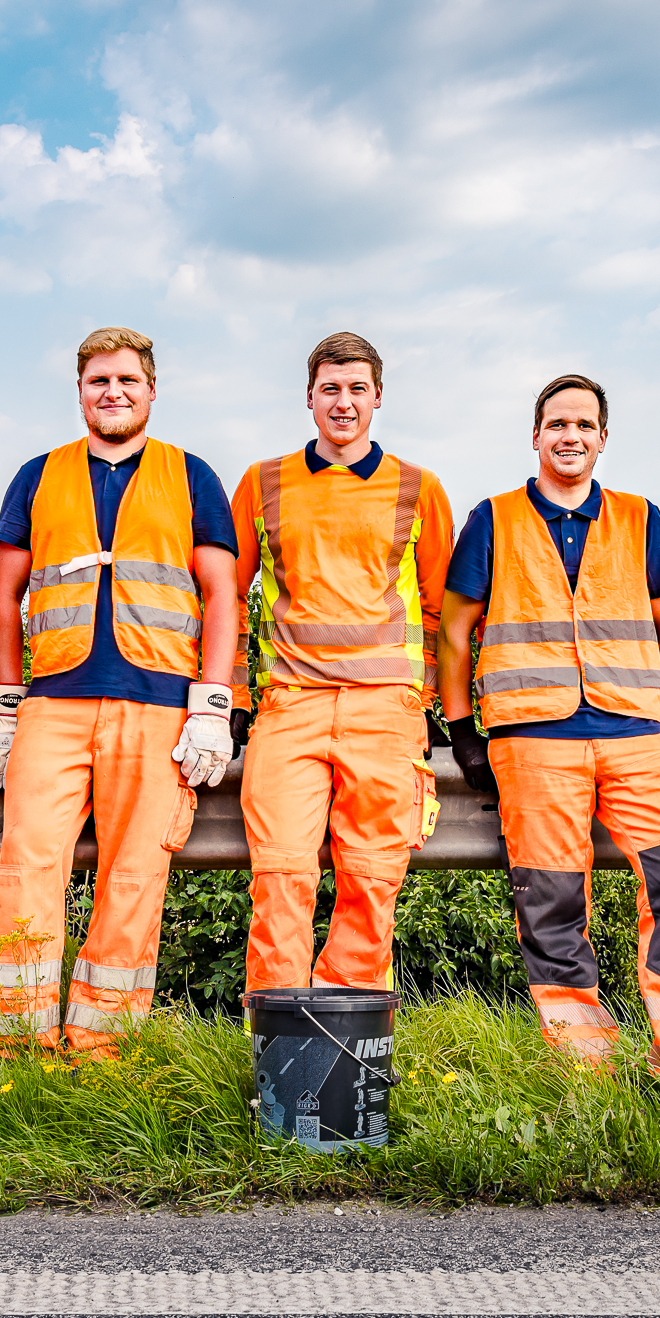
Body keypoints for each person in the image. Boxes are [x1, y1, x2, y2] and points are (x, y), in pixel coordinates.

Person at [438, 375, 660, 1085]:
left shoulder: (638, 516)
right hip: (533, 742)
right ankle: (585, 1069)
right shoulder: (492, 519)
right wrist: (461, 726)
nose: (571, 436)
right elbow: (454, 629)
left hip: (633, 736)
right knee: (554, 907)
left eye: (585, 425)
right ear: (535, 436)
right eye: (557, 424)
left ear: (602, 438)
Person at [0, 327, 238, 1053]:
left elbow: (221, 596)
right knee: (27, 870)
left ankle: (103, 1051)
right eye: (99, 381)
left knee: (133, 879)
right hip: (52, 706)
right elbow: (4, 597)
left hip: (156, 706)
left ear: (152, 391)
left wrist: (212, 707)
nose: (113, 392)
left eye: (127, 380)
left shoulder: (192, 476)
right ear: (80, 391)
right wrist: (4, 705)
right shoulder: (37, 476)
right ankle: (21, 1047)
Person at [231, 332, 454, 995]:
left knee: (371, 882)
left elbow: (443, 610)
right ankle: (279, 1044)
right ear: (309, 398)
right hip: (288, 706)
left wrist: (427, 700)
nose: (344, 402)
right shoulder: (263, 482)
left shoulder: (419, 487)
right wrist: (234, 703)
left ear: (378, 397)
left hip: (385, 708)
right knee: (279, 878)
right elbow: (226, 596)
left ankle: (346, 1048)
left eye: (357, 389)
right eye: (331, 388)